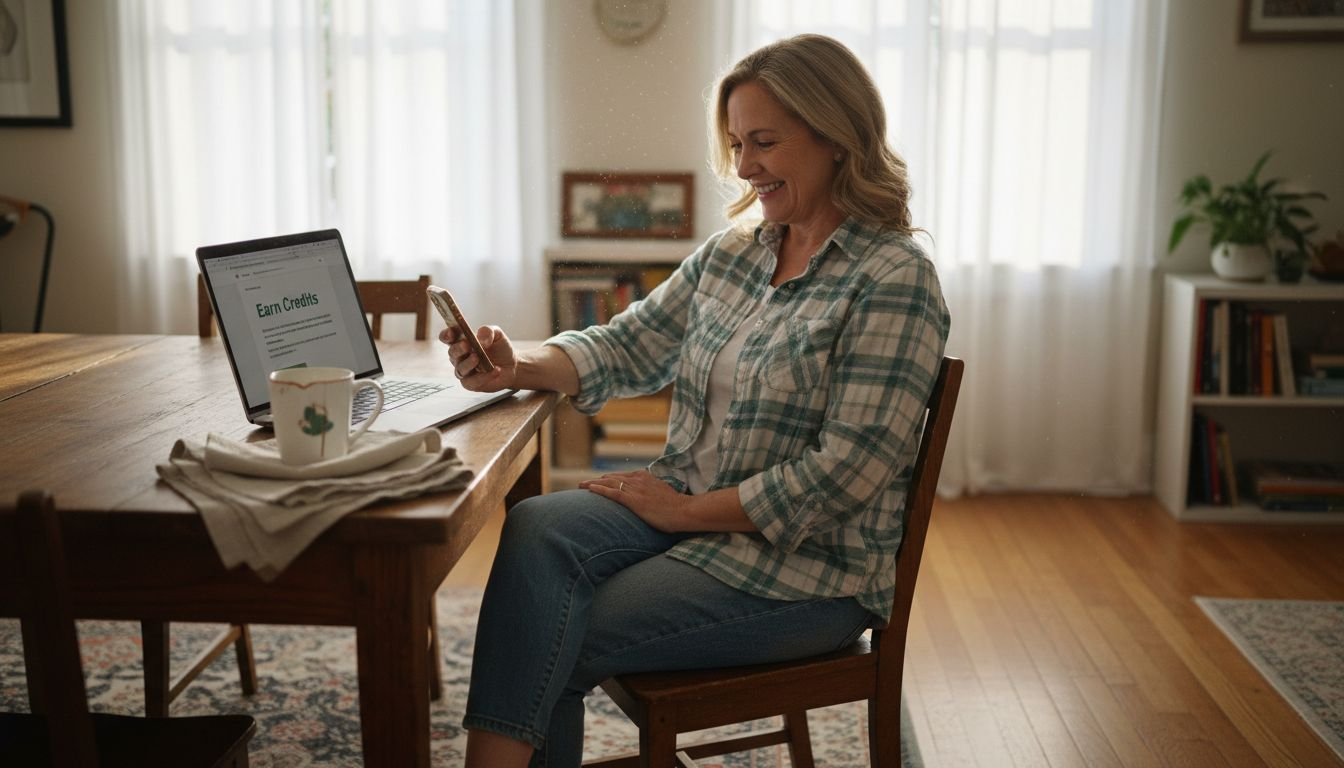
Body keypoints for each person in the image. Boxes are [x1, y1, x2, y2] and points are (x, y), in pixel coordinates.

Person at [441, 33, 950, 768]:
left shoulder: (894, 278)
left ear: (837, 137)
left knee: (549, 629)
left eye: (765, 142)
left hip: (809, 573)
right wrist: (515, 363)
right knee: (537, 526)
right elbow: (627, 345)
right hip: (687, 507)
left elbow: (844, 473)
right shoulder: (735, 253)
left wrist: (684, 513)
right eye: (738, 144)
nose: (744, 166)